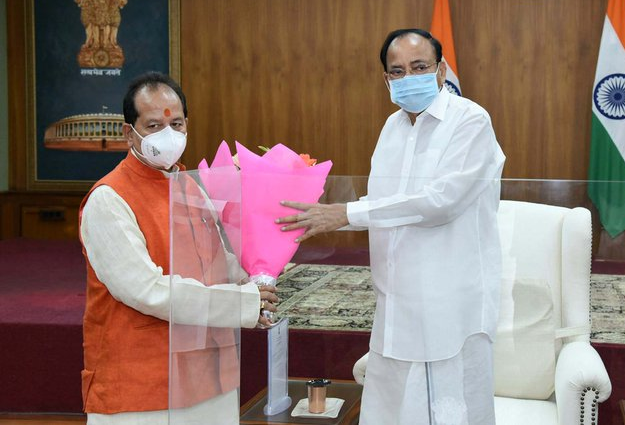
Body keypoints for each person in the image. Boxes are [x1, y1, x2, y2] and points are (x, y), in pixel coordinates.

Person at [277, 29, 505, 425]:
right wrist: (325, 216)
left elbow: (440, 202)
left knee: (446, 410)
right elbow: (384, 203)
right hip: (395, 299)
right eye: (397, 71)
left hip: (446, 302)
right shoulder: (392, 127)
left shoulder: (470, 120)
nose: (409, 78)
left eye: (420, 67)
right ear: (386, 80)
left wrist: (345, 214)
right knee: (392, 410)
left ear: (441, 69)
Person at [79, 71, 278, 425]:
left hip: (209, 375)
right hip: (142, 384)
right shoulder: (108, 199)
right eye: (154, 125)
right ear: (130, 133)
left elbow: (217, 263)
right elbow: (146, 290)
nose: (168, 135)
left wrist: (261, 272)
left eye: (177, 123)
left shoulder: (188, 186)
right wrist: (244, 303)